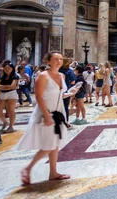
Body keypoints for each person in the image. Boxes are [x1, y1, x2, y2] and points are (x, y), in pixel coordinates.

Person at [18, 51, 78, 185]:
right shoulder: (43, 76)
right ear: (48, 61)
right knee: (50, 144)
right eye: (56, 59)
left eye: (61, 59)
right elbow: (39, 97)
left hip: (58, 112)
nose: (59, 61)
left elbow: (59, 95)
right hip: (46, 112)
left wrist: (70, 93)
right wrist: (46, 115)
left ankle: (53, 172)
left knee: (55, 143)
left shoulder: (62, 75)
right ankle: (27, 169)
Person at [0, 60, 19, 133]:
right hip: (2, 94)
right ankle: (5, 122)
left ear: (12, 68)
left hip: (11, 94)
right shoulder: (3, 76)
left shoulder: (15, 76)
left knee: (11, 110)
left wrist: (2, 87)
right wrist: (5, 86)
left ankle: (11, 126)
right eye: (5, 68)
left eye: (9, 68)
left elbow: (12, 87)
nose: (7, 70)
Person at [59, 58, 76, 127]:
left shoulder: (58, 69)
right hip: (66, 91)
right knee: (65, 107)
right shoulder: (69, 71)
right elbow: (73, 82)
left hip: (57, 90)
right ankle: (65, 122)